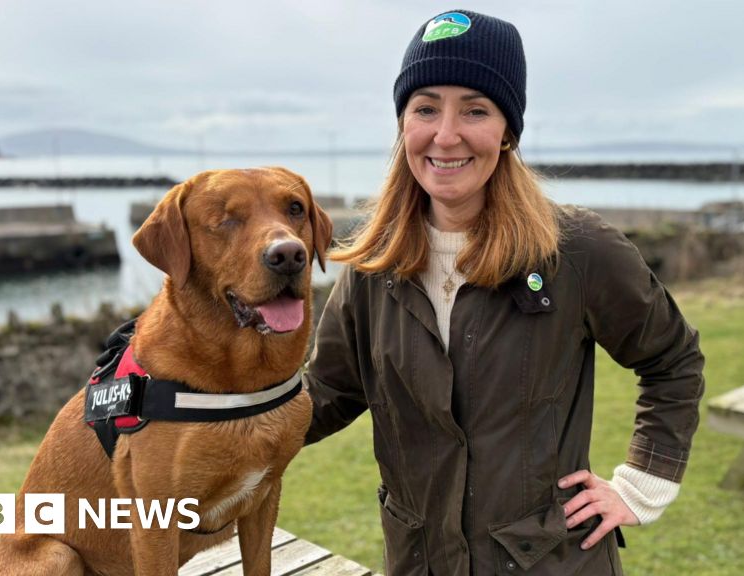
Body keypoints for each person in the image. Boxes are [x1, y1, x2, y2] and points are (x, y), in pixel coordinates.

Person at [302, 9, 704, 576]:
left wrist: (641, 486)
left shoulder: (576, 250)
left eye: (475, 110)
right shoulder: (373, 266)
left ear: (508, 130)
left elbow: (672, 359)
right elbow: (326, 395)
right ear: (403, 125)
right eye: (425, 108)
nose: (446, 135)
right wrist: (213, 418)